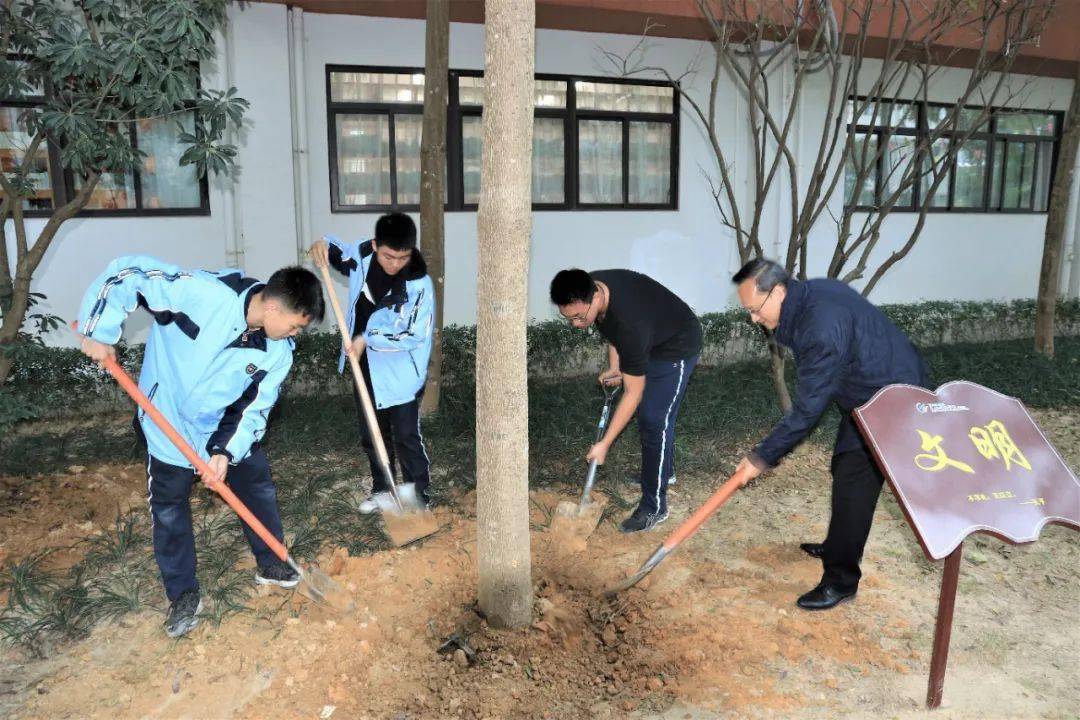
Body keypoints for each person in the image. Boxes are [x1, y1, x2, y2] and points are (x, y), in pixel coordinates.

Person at [76, 255, 325, 637]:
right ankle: (183, 594)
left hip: (219, 427)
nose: (294, 335)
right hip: (167, 419)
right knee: (170, 509)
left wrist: (224, 452)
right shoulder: (202, 295)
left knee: (256, 484)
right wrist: (99, 331)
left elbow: (253, 409)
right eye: (294, 326)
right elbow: (130, 274)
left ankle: (272, 561)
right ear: (272, 307)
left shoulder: (277, 353)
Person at [729, 258, 930, 610]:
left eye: (755, 309)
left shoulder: (818, 327)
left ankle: (840, 582)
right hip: (871, 391)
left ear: (778, 291)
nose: (753, 318)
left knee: (854, 481)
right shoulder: (813, 292)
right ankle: (840, 543)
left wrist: (760, 457)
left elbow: (807, 410)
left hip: (893, 401)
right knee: (844, 465)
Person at [550, 268, 702, 533]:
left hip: (677, 345)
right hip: (650, 338)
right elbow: (612, 330)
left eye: (578, 317)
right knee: (653, 417)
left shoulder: (632, 323)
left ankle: (654, 507)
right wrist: (615, 366)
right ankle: (662, 473)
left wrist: (605, 444)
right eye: (569, 318)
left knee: (655, 419)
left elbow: (633, 393)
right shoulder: (592, 285)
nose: (575, 324)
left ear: (595, 298)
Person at [308, 212, 435, 511]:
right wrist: (322, 245)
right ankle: (382, 490)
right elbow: (338, 252)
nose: (394, 264)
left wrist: (367, 338)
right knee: (371, 431)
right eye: (389, 256)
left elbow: (412, 333)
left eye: (402, 257)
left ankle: (419, 496)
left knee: (405, 435)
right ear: (376, 245)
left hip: (401, 369)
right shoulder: (363, 256)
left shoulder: (418, 284)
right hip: (363, 362)